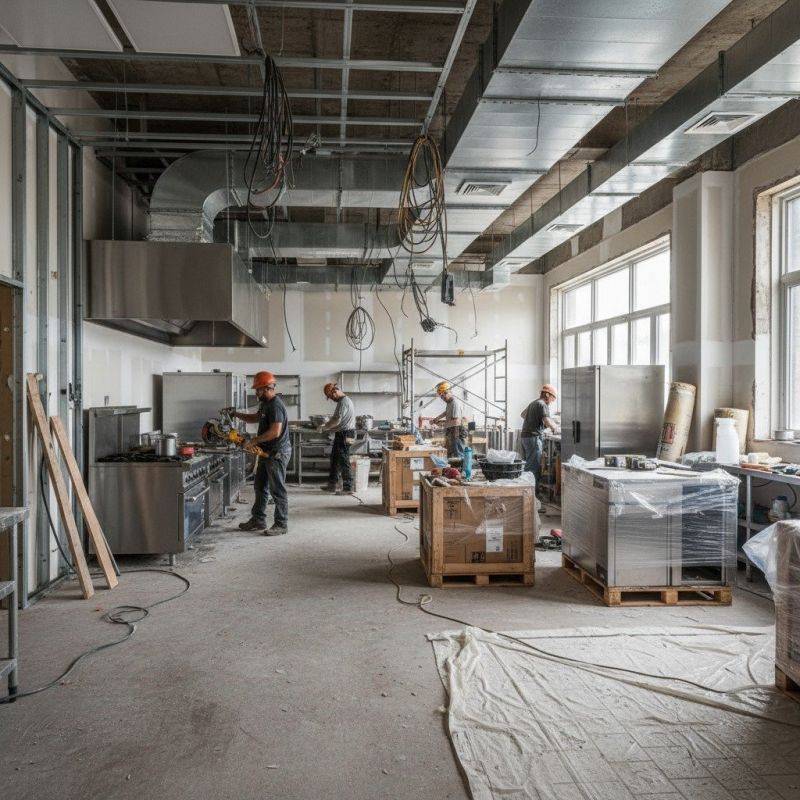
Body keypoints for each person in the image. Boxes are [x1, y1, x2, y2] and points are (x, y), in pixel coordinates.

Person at [231, 371, 292, 536]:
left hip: (276, 453)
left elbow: (275, 432)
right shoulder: (265, 404)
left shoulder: (275, 405)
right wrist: (235, 414)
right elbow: (255, 418)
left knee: (277, 490)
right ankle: (258, 519)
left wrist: (254, 441)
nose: (255, 392)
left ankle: (281, 524)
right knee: (260, 487)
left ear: (266, 388)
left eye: (257, 389)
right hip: (266, 453)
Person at [318, 382, 356, 494]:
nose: (331, 399)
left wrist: (324, 426)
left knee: (343, 459)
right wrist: (327, 424)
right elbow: (336, 419)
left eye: (331, 396)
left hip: (346, 434)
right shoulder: (342, 401)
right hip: (342, 433)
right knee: (335, 459)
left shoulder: (344, 402)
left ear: (335, 391)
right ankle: (332, 485)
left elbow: (337, 420)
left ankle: (348, 487)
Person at [519, 384, 559, 479]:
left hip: (525, 437)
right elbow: (547, 421)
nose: (552, 402)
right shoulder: (542, 404)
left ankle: (527, 488)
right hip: (533, 437)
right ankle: (528, 490)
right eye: (552, 399)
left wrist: (535, 419)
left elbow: (523, 415)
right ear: (548, 395)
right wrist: (556, 429)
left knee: (529, 464)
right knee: (533, 467)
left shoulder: (534, 403)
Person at [432, 381, 468, 459]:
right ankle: (454, 469)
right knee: (451, 454)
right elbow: (446, 412)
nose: (443, 398)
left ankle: (460, 470)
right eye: (441, 396)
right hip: (452, 431)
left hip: (457, 432)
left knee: (458, 455)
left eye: (444, 395)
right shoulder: (449, 403)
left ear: (449, 391)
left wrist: (442, 425)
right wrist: (436, 419)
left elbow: (456, 421)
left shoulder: (455, 403)